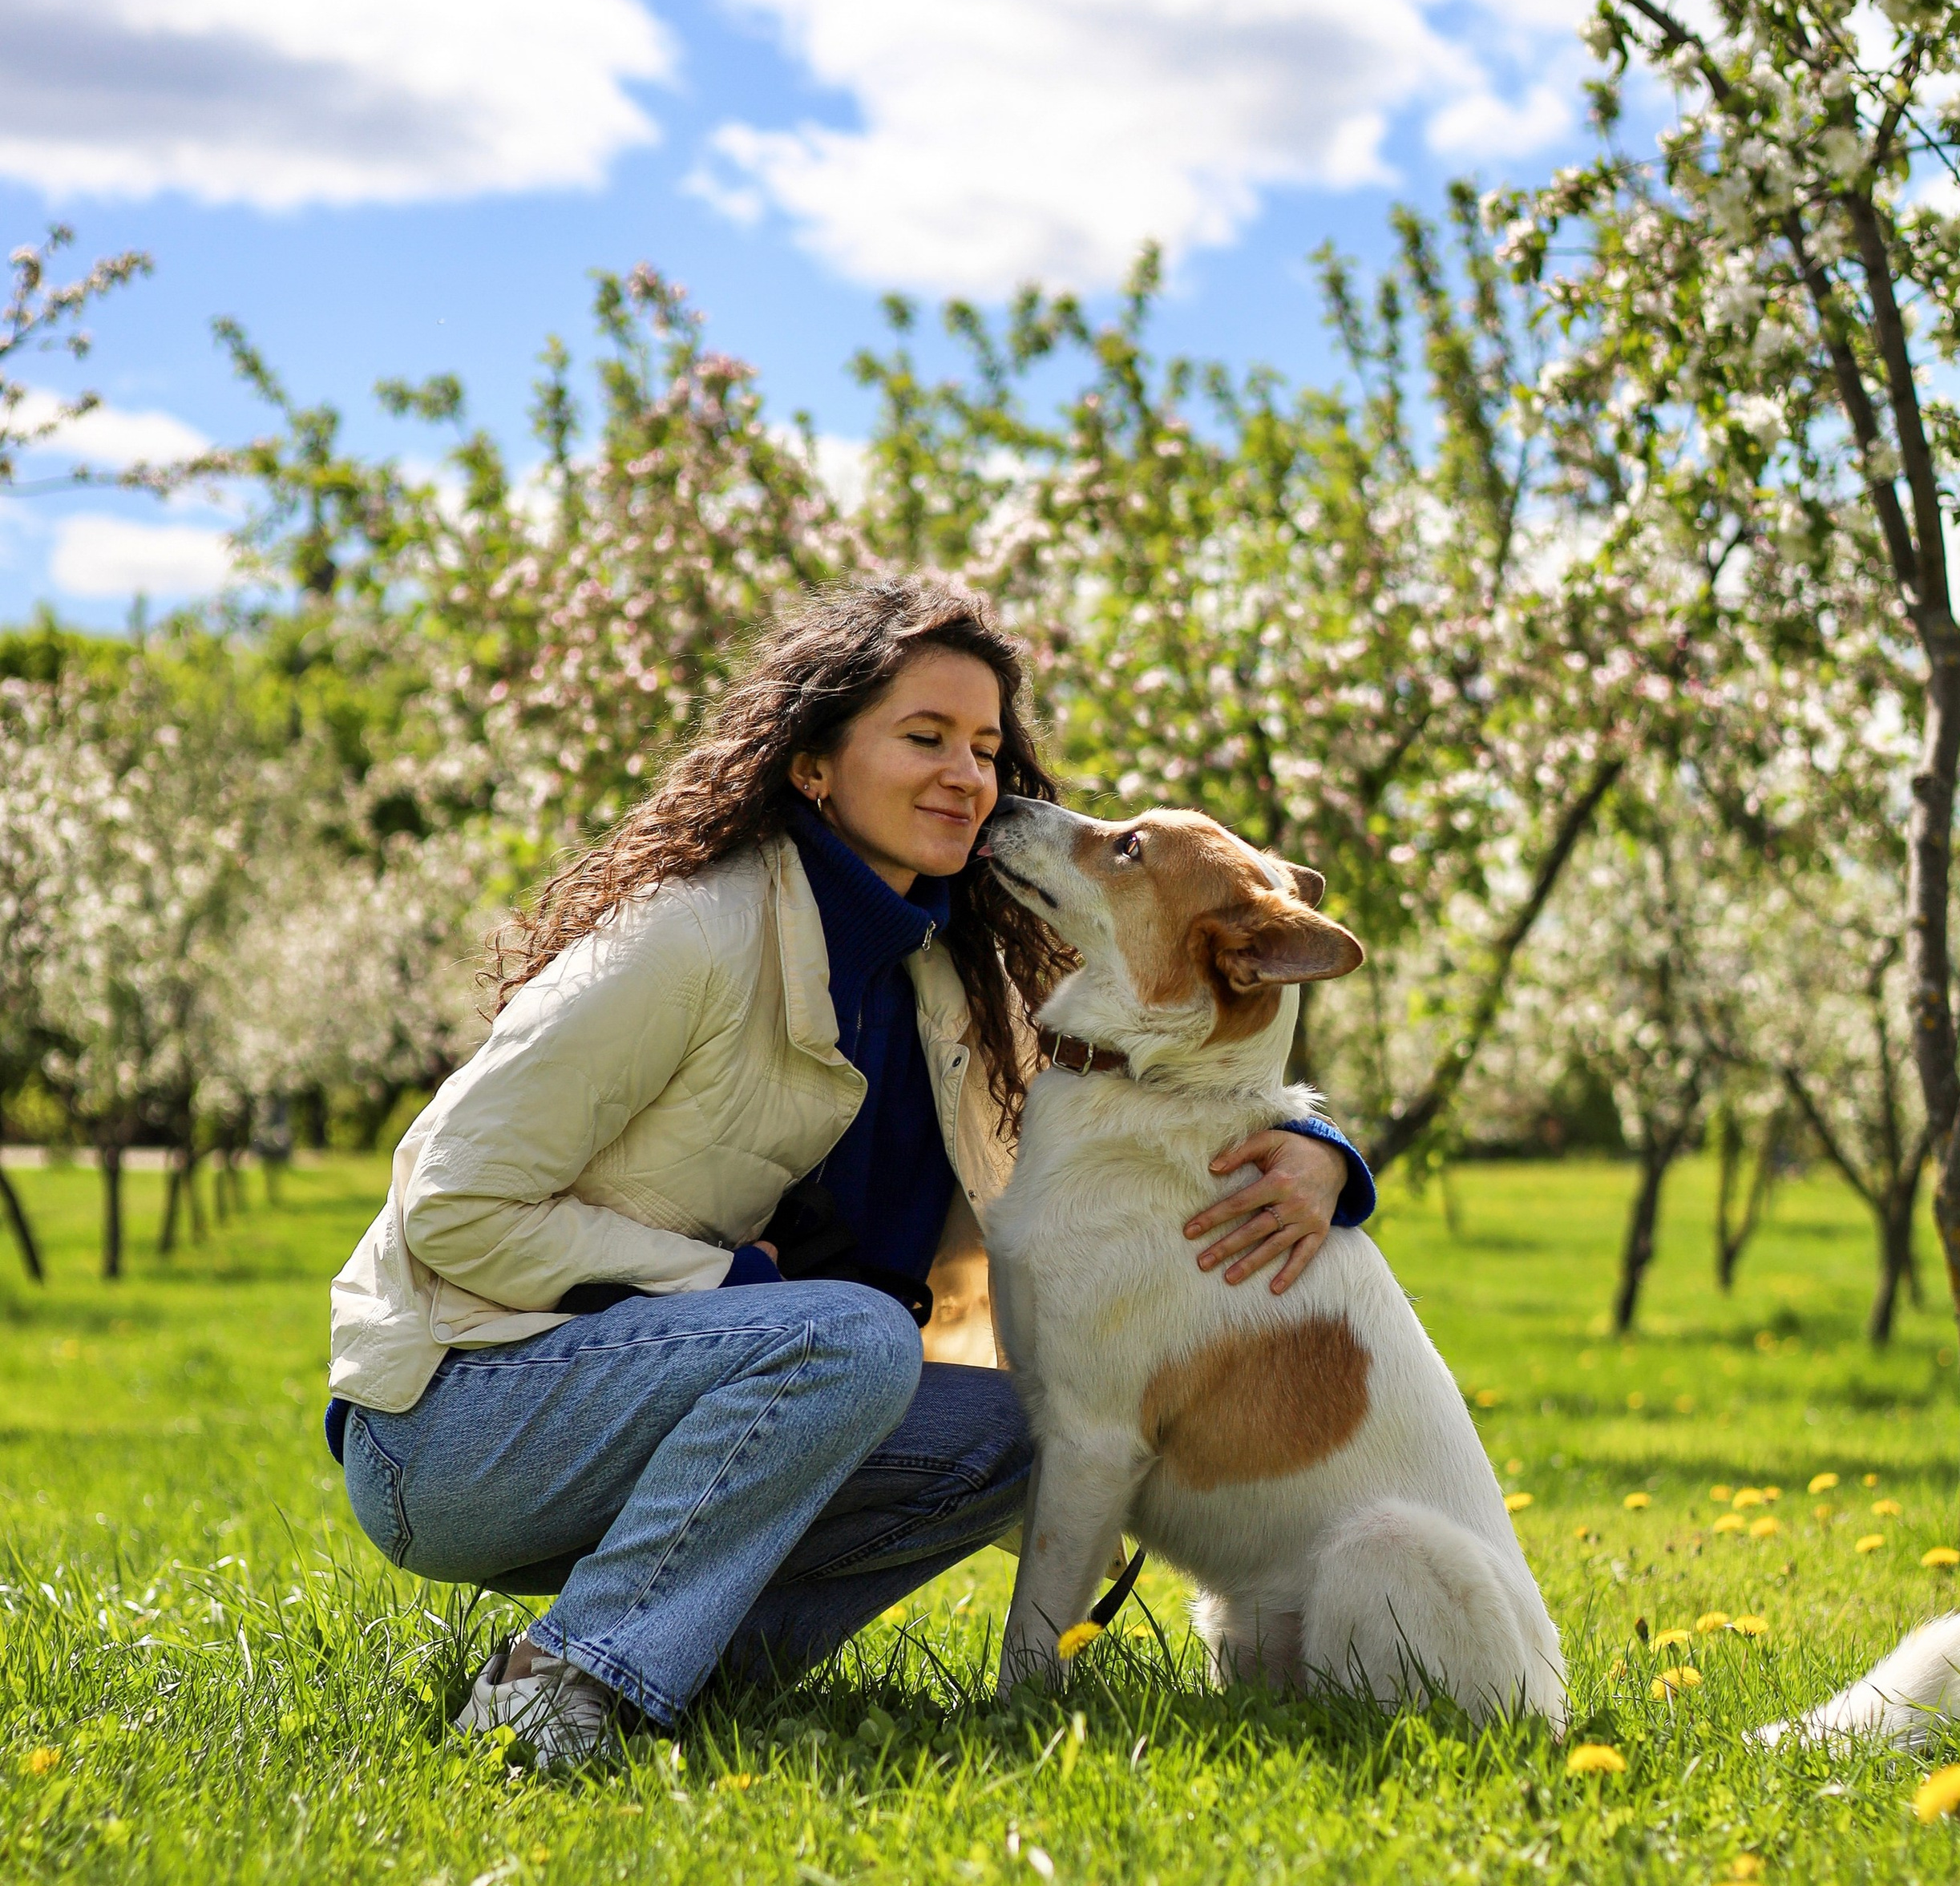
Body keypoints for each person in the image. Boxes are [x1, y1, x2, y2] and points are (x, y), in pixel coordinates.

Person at [323, 579, 1374, 1763]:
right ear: (815, 763)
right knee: (851, 1334)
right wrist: (721, 1282)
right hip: (454, 1420)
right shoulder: (690, 936)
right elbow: (452, 1204)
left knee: (1025, 1432)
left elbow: (1149, 1120)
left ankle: (686, 1677)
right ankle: (568, 1681)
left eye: (985, 745)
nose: (968, 775)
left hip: (676, 1387)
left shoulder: (950, 973)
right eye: (923, 738)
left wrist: (1326, 1156)